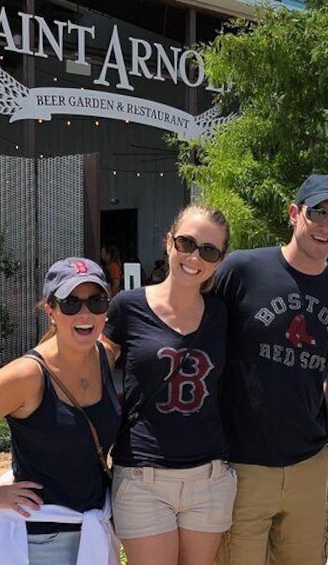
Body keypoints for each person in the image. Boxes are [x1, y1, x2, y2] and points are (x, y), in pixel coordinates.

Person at [213, 174, 328, 565]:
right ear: (295, 214)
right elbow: (202, 345)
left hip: (308, 466)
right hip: (242, 466)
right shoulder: (242, 270)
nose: (326, 226)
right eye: (318, 212)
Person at [0, 257, 121, 564]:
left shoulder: (104, 355)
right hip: (42, 535)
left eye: (96, 301)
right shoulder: (29, 375)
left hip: (94, 528)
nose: (85, 313)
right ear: (50, 309)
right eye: (71, 303)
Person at [101, 203, 235, 565]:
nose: (194, 257)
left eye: (208, 250)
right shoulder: (127, 307)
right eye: (186, 243)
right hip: (144, 475)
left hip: (209, 477)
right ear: (169, 243)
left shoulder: (222, 314)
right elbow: (88, 368)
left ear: (220, 259)